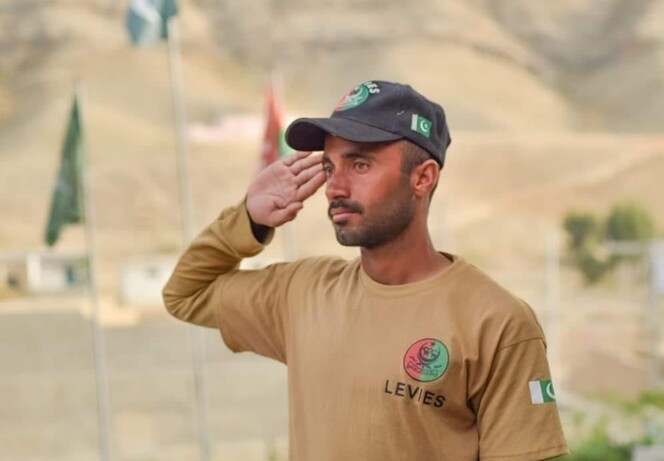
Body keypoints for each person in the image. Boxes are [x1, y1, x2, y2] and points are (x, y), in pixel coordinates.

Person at [163, 80, 569, 460]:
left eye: (359, 165)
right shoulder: (302, 292)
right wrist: (249, 220)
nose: (335, 188)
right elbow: (185, 294)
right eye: (329, 167)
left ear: (423, 178)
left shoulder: (497, 323)